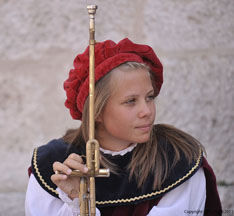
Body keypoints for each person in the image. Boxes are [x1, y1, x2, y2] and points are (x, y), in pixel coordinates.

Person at [25, 38, 222, 216]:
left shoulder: (177, 159)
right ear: (96, 111)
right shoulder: (54, 166)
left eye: (150, 97)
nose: (147, 111)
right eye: (130, 101)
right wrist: (78, 200)